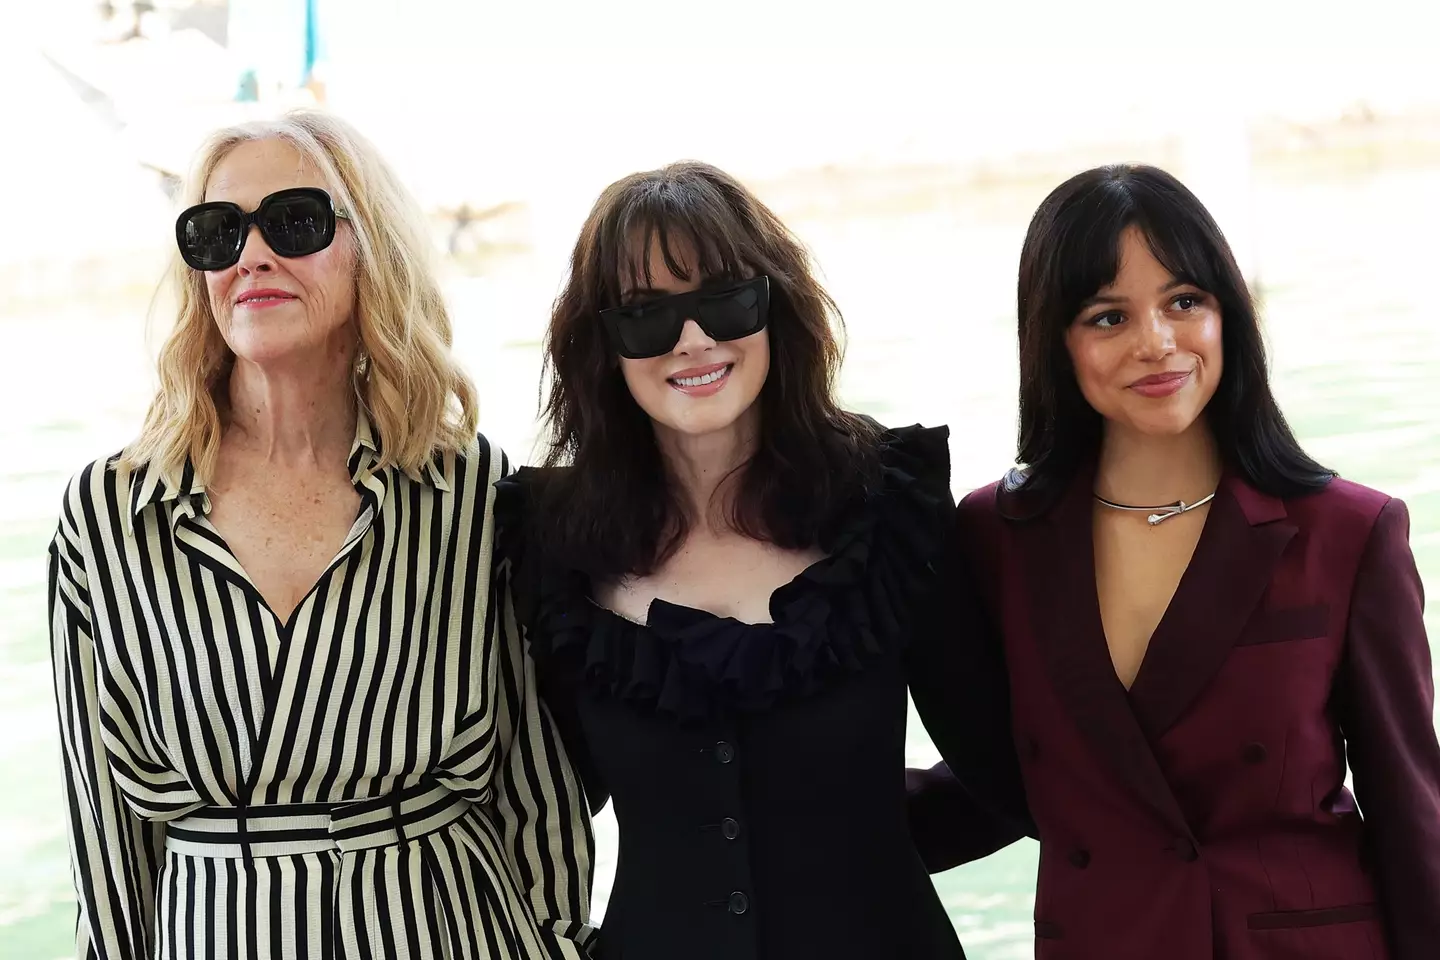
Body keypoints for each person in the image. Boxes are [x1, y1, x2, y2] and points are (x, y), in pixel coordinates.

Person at [46, 111, 594, 960]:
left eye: (294, 221)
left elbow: (535, 790)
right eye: (217, 232)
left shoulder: (464, 491)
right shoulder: (112, 516)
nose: (251, 256)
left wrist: (554, 944)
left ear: (369, 247)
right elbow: (105, 839)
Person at [493, 161, 1022, 960]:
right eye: (646, 314)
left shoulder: (890, 505)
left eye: (725, 299)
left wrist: (859, 842)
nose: (694, 339)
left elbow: (1008, 770)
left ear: (776, 308)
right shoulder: (550, 543)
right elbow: (529, 805)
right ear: (602, 343)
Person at [915, 163, 1440, 959]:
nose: (1156, 343)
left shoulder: (1349, 530)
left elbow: (1410, 806)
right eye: (1107, 317)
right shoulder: (995, 535)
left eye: (1184, 301)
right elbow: (1024, 774)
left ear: (1229, 313)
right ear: (1056, 342)